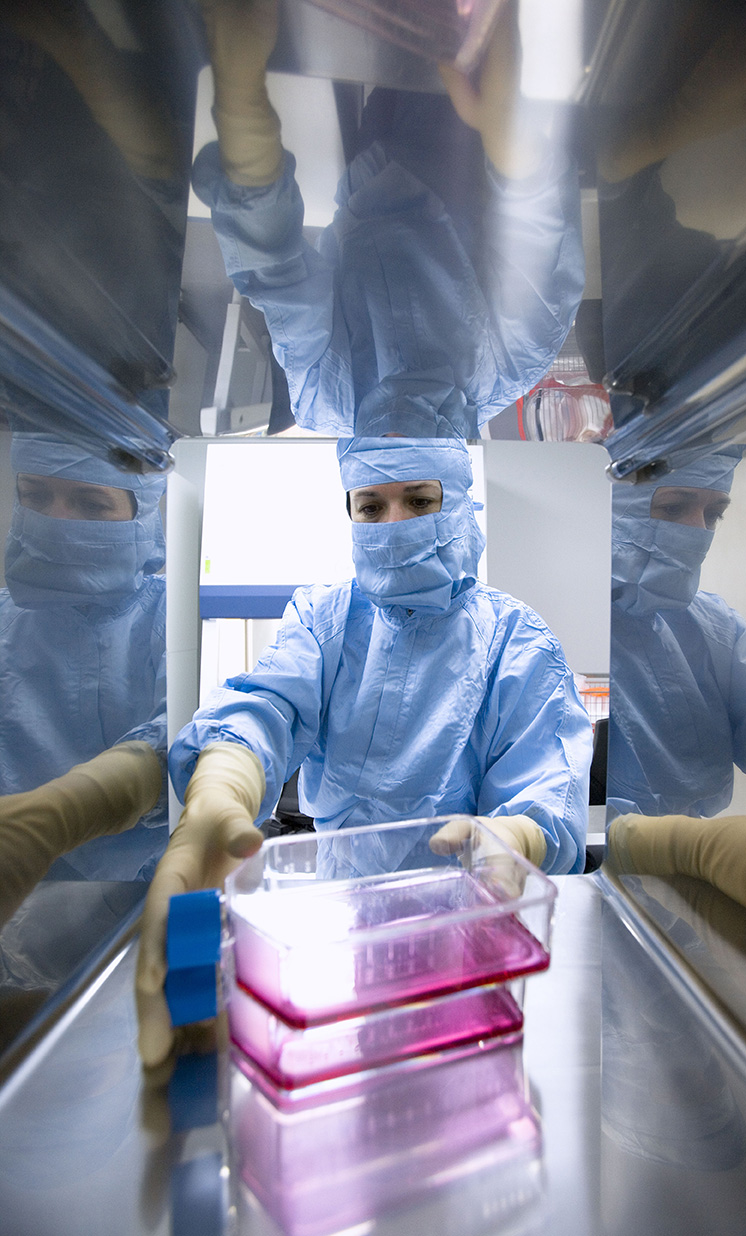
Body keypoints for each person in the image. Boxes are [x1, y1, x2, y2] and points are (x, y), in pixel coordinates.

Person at [136, 435, 592, 1064]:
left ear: (457, 503)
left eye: (419, 500)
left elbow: (549, 789)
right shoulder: (323, 618)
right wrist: (221, 786)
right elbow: (268, 704)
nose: (394, 525)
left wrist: (516, 836)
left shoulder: (516, 641)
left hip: (468, 930)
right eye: (371, 507)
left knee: (457, 1085)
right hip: (341, 929)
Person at [191, 0, 584, 437]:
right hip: (468, 143)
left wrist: (241, 98)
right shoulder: (516, 361)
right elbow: (538, 220)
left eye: (371, 506)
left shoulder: (323, 397)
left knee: (388, 43)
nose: (395, 467)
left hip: (373, 159)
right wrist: (504, 128)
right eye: (422, 497)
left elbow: (277, 273)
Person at [605, 446, 746, 945]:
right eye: (675, 507)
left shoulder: (705, 623)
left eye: (713, 512)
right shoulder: (535, 626)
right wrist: (678, 846)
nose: (698, 530)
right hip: (563, 901)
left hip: (686, 902)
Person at [0, 432, 168, 922]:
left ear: (143, 516)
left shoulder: (176, 622)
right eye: (35, 496)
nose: (57, 520)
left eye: (91, 503)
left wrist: (66, 811)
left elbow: (184, 739)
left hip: (146, 906)